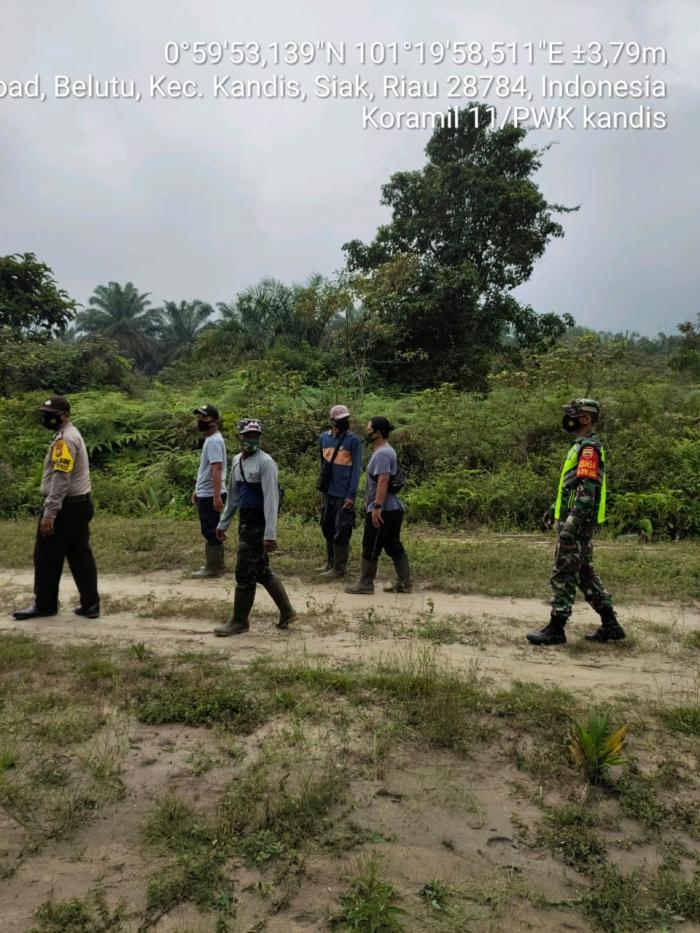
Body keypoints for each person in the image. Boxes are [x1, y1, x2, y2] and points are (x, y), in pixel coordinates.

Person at [527, 398, 626, 646]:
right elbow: (571, 486)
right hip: (574, 516)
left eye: (572, 414)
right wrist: (554, 508)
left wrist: (571, 523)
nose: (567, 418)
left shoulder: (588, 449)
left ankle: (556, 628)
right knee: (584, 574)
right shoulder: (580, 446)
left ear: (585, 419)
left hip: (577, 521)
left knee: (563, 572)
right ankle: (611, 625)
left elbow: (587, 491)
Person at [13, 395, 100, 620]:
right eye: (44, 414)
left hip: (66, 507)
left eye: (50, 415)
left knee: (46, 557)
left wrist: (50, 513)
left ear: (64, 416)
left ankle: (45, 605)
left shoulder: (65, 440)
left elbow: (62, 478)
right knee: (80, 555)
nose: (45, 418)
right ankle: (90, 604)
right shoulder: (69, 434)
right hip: (80, 504)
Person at [213, 418, 297, 636]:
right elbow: (233, 497)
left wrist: (270, 534)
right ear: (239, 437)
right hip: (245, 523)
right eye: (248, 436)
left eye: (255, 436)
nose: (252, 440)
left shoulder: (266, 463)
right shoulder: (237, 461)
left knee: (244, 574)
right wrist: (224, 522)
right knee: (261, 570)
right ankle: (287, 611)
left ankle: (239, 621)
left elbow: (271, 500)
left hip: (258, 526)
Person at [345, 416, 412, 595]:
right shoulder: (386, 450)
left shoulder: (382, 453)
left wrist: (376, 507)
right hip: (392, 509)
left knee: (371, 545)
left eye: (369, 431)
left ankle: (366, 583)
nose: (367, 433)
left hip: (383, 510)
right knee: (392, 545)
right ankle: (405, 581)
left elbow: (383, 480)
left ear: (378, 433)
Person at [317, 404, 362, 579]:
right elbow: (323, 466)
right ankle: (330, 562)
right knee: (327, 526)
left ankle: (340, 567)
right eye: (340, 420)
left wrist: (351, 494)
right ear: (332, 421)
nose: (344, 422)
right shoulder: (323, 439)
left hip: (344, 493)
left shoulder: (353, 441)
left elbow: (356, 469)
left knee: (342, 529)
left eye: (346, 419)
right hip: (329, 492)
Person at [190, 404, 227, 578]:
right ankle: (217, 564)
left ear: (214, 421)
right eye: (199, 417)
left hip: (211, 492)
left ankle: (213, 567)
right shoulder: (211, 440)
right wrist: (198, 489)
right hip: (206, 491)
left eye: (203, 418)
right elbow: (207, 470)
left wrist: (216, 495)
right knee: (211, 528)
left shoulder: (213, 441)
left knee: (210, 529)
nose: (200, 421)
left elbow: (216, 469)